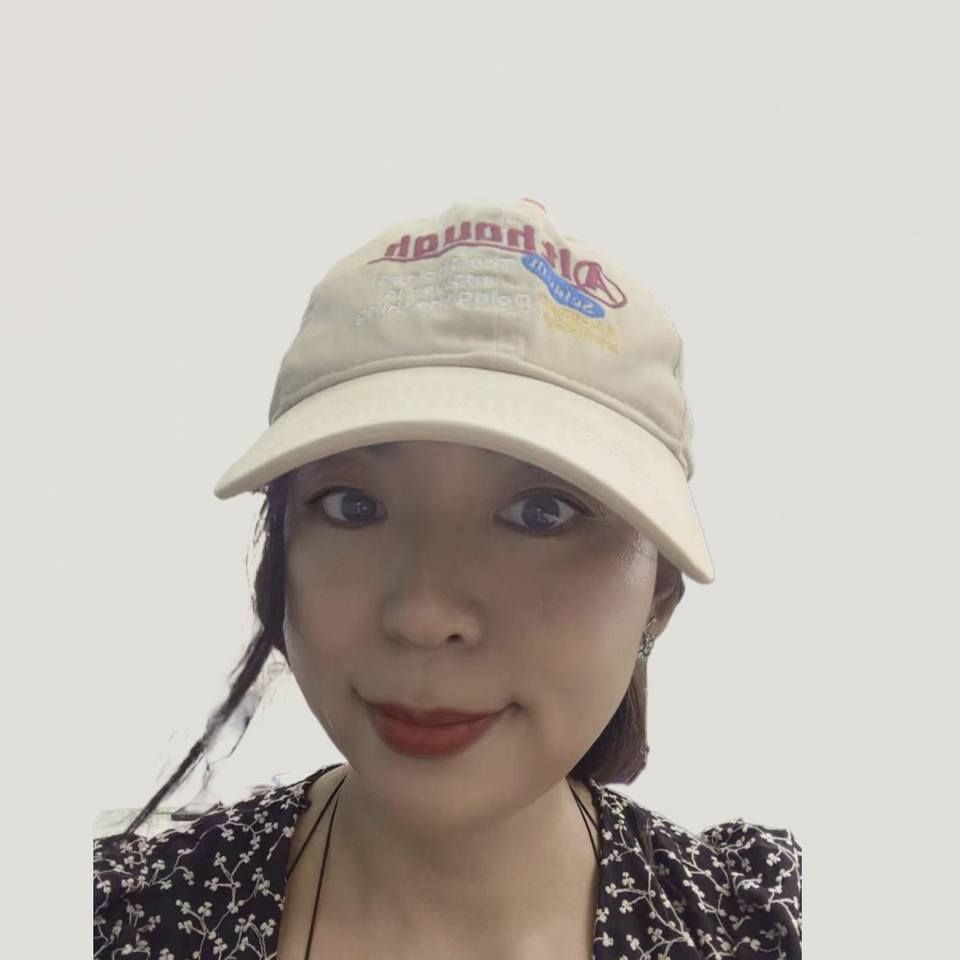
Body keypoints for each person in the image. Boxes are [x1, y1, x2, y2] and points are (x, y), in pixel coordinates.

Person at [93, 198, 802, 960]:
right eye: (353, 505)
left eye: (541, 513)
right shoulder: (116, 919)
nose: (425, 615)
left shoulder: (763, 922)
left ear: (659, 593)